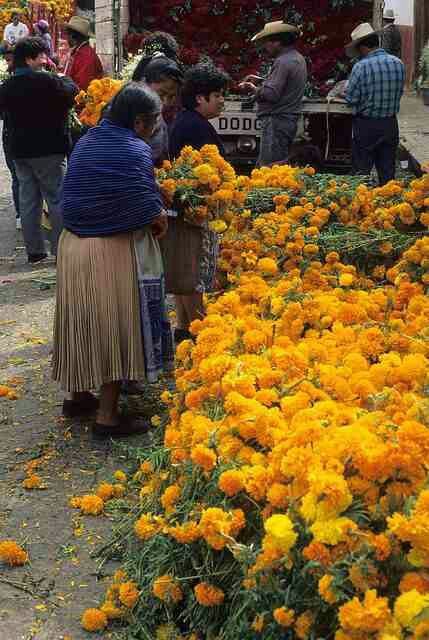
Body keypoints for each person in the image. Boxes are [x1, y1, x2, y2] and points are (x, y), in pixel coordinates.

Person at [53, 83, 172, 438]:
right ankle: (106, 417)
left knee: (81, 323)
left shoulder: (88, 139)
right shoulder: (135, 149)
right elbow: (143, 206)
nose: (154, 130)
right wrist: (159, 215)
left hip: (72, 246)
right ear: (139, 122)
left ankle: (77, 397)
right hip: (110, 251)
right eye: (153, 122)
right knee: (115, 330)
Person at [162, 63, 228, 343]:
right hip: (193, 213)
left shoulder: (187, 120)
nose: (223, 100)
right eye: (218, 95)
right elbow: (203, 179)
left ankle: (184, 327)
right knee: (194, 273)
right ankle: (198, 331)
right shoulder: (196, 128)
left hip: (183, 210)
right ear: (200, 98)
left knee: (182, 270)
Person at [0, 37, 78, 262]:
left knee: (28, 200)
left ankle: (34, 251)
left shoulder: (7, 86)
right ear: (29, 59)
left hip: (21, 151)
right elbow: (72, 93)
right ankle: (61, 249)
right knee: (56, 198)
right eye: (42, 56)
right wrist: (63, 78)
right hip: (50, 150)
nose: (45, 60)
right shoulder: (50, 82)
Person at [239, 20, 307, 167]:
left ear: (277, 42)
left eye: (267, 42)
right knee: (278, 166)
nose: (265, 47)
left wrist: (251, 87)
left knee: (268, 169)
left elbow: (271, 95)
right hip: (287, 120)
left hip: (276, 121)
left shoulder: (282, 62)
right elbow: (285, 86)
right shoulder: (297, 58)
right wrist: (262, 80)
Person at [345, 23, 405, 186]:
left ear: (362, 47)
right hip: (390, 124)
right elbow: (399, 93)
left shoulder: (360, 67)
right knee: (387, 175)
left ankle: (362, 208)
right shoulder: (398, 63)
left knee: (361, 174)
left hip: (367, 125)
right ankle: (389, 207)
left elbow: (351, 99)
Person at [133, 56, 183, 165]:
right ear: (144, 83)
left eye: (171, 97)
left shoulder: (158, 118)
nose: (165, 102)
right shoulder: (127, 111)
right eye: (161, 94)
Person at [0, 46, 20, 229]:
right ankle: (21, 214)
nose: (8, 63)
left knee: (21, 177)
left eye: (10, 59)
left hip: (15, 137)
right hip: (11, 136)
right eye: (6, 60)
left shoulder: (10, 83)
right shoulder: (7, 82)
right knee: (17, 177)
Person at [64, 16, 103, 91]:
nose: (66, 38)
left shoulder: (85, 55)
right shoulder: (79, 51)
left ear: (72, 36)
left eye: (67, 35)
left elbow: (82, 88)